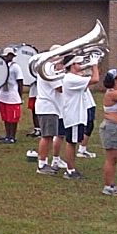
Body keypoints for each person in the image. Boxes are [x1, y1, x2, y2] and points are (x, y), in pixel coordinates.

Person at [61, 53, 99, 179]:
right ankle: (70, 170)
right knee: (71, 143)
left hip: (76, 114)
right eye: (78, 63)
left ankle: (71, 169)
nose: (81, 65)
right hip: (74, 115)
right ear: (72, 65)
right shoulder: (71, 78)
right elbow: (95, 79)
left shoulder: (73, 77)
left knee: (73, 142)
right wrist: (94, 64)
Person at [35, 45, 68, 175]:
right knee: (47, 137)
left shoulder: (50, 68)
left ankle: (44, 162)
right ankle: (42, 164)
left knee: (49, 136)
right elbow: (59, 88)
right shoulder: (48, 68)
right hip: (48, 107)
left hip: (51, 107)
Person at [0, 46, 23, 143]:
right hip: (3, 95)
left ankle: (12, 136)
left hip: (12, 96)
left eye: (10, 55)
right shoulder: (2, 66)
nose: (8, 57)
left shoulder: (15, 67)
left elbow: (20, 81)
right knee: (6, 118)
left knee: (13, 118)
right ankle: (7, 135)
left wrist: (20, 96)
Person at [76, 87, 97, 158]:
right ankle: (81, 150)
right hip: (85, 103)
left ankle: (82, 149)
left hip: (89, 102)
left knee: (90, 125)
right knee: (88, 125)